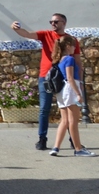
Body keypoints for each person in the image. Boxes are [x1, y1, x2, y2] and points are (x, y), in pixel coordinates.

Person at [11, 14, 81, 151]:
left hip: (65, 78)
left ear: (64, 23)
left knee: (69, 111)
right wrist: (15, 29)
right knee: (44, 109)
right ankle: (42, 139)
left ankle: (74, 141)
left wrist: (80, 80)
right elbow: (27, 34)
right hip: (47, 76)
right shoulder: (46, 34)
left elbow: (78, 60)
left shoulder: (71, 40)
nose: (53, 24)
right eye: (51, 22)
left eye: (56, 21)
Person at [49, 34, 92, 157]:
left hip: (61, 91)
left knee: (65, 121)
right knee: (73, 121)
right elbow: (70, 77)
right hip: (70, 89)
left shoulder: (59, 59)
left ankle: (56, 147)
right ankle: (78, 149)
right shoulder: (69, 59)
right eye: (73, 46)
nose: (74, 48)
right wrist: (79, 93)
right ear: (68, 46)